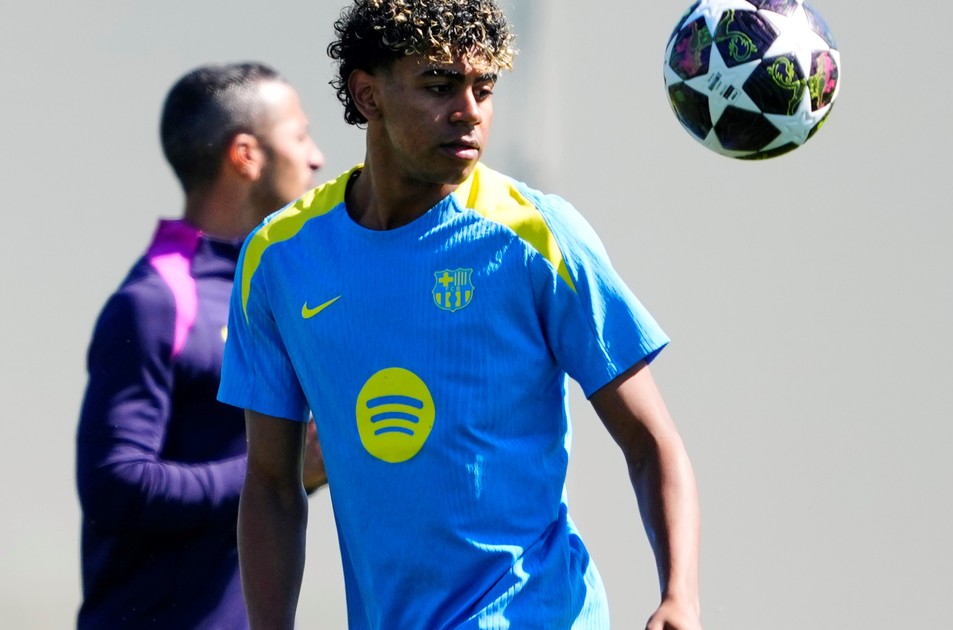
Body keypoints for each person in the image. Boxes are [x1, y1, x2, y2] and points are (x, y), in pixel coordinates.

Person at [219, 1, 702, 628]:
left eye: (484, 88)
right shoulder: (279, 258)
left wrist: (680, 596)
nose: (469, 111)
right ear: (367, 95)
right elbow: (272, 485)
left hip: (538, 611)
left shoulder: (539, 237)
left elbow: (650, 440)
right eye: (439, 86)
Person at [75, 62, 327, 629]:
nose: (316, 158)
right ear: (246, 155)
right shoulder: (157, 300)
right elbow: (115, 485)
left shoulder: (268, 287)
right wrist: (280, 471)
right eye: (300, 136)